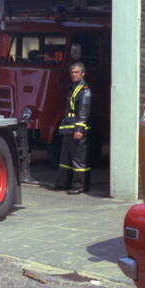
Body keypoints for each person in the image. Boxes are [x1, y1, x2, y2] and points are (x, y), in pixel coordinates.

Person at [55, 62, 91, 195]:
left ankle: (80, 186)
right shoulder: (73, 87)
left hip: (76, 129)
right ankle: (62, 183)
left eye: (76, 72)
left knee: (78, 159)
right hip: (68, 128)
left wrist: (79, 129)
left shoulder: (84, 90)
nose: (73, 75)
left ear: (82, 73)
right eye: (72, 72)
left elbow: (83, 111)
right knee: (65, 158)